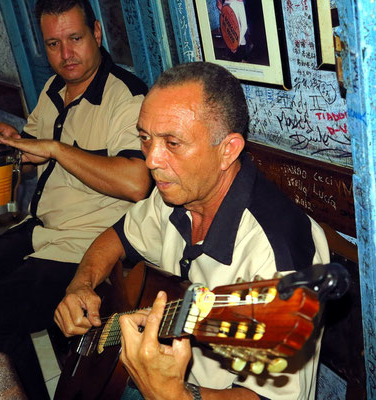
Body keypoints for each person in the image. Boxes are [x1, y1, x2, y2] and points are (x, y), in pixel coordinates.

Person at [55, 61, 330, 400]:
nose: (152, 160)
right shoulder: (175, 192)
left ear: (227, 150)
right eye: (145, 138)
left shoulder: (279, 255)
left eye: (172, 143)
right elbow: (118, 236)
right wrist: (80, 285)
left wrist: (176, 394)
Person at [0, 1, 151, 399]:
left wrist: (55, 148)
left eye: (75, 39)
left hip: (84, 244)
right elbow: (31, 160)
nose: (66, 55)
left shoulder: (126, 97)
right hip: (43, 229)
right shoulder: (52, 88)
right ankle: (17, 376)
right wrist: (12, 143)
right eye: (53, 44)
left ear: (96, 33)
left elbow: (136, 183)